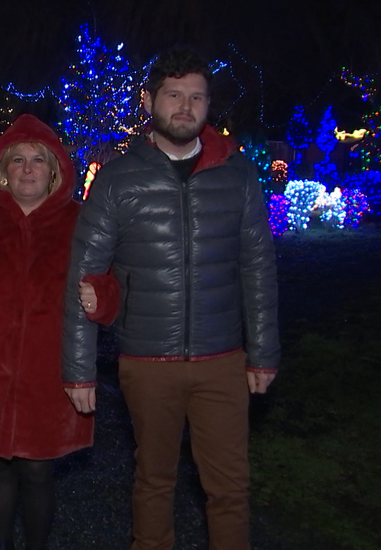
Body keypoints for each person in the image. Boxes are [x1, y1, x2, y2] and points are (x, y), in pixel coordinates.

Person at [62, 47, 280, 550]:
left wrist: (264, 351)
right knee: (154, 480)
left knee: (228, 488)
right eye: (174, 95)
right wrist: (79, 369)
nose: (186, 106)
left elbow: (258, 266)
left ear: (208, 105)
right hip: (146, 358)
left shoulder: (237, 174)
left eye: (197, 97)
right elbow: (85, 273)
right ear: (148, 101)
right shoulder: (118, 177)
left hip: (223, 357)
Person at [0, 114, 116, 550]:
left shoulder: (80, 222)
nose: (28, 168)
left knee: (38, 468)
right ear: (2, 168)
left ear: (54, 169)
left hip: (48, 369)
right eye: (17, 159)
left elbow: (113, 282)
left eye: (38, 159)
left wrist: (102, 297)